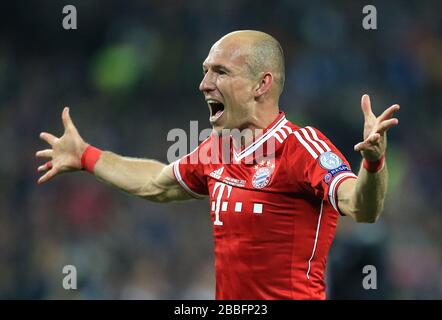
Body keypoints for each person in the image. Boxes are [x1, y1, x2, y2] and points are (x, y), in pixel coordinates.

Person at [36, 30, 399, 299]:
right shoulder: (219, 149)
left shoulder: (301, 147)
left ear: (262, 84)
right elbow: (157, 183)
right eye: (206, 71)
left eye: (220, 72)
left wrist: (373, 161)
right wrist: (86, 155)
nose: (204, 83)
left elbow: (362, 208)